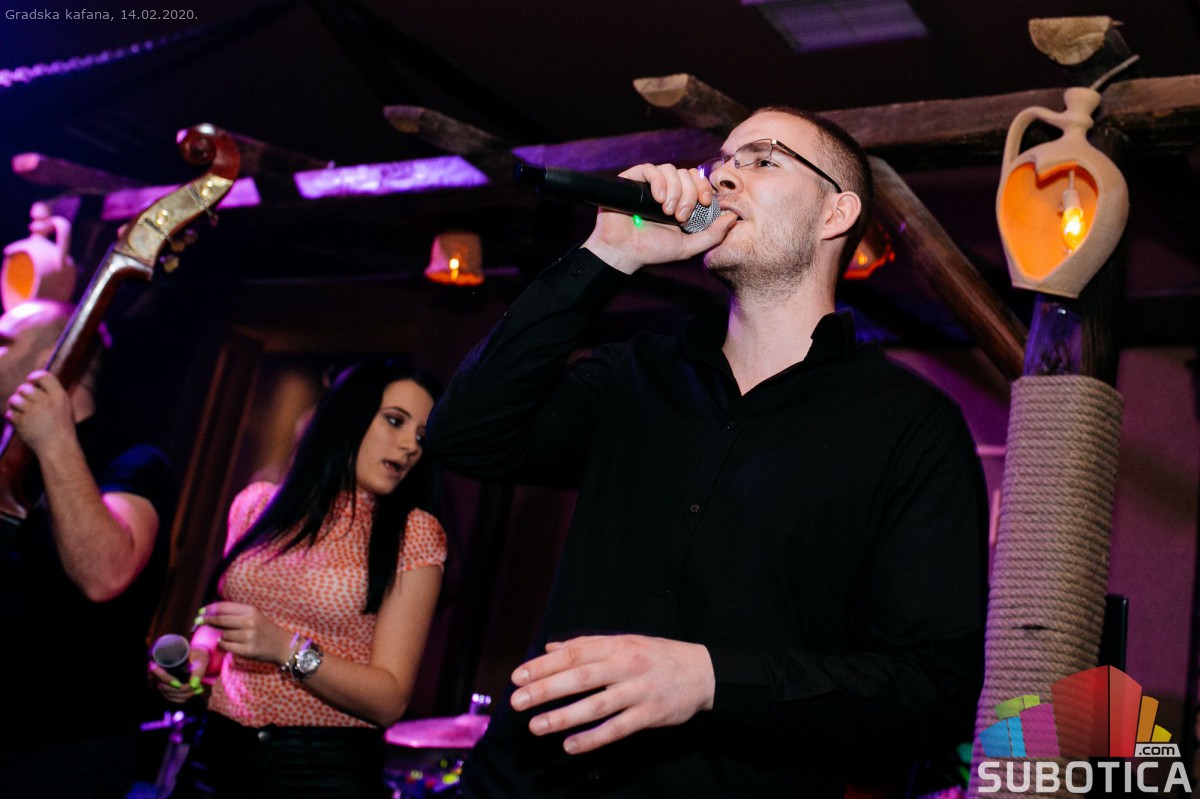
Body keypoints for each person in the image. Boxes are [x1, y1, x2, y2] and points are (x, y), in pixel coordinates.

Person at [426, 107, 989, 797]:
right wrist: (610, 253)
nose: (722, 176)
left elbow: (932, 690)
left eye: (762, 159)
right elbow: (464, 435)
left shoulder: (909, 427)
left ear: (835, 213)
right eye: (721, 161)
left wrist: (712, 680)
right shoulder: (635, 375)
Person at [152, 356, 448, 798]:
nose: (410, 446)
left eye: (422, 436)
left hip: (319, 769)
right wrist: (199, 657)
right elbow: (224, 619)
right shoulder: (256, 505)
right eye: (394, 421)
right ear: (346, 416)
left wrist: (286, 649)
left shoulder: (414, 533)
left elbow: (390, 700)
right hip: (216, 752)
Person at [0, 299, 176, 799]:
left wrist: (55, 440)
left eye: (5, 341)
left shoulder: (133, 462)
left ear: (54, 360)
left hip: (62, 754)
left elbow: (105, 574)